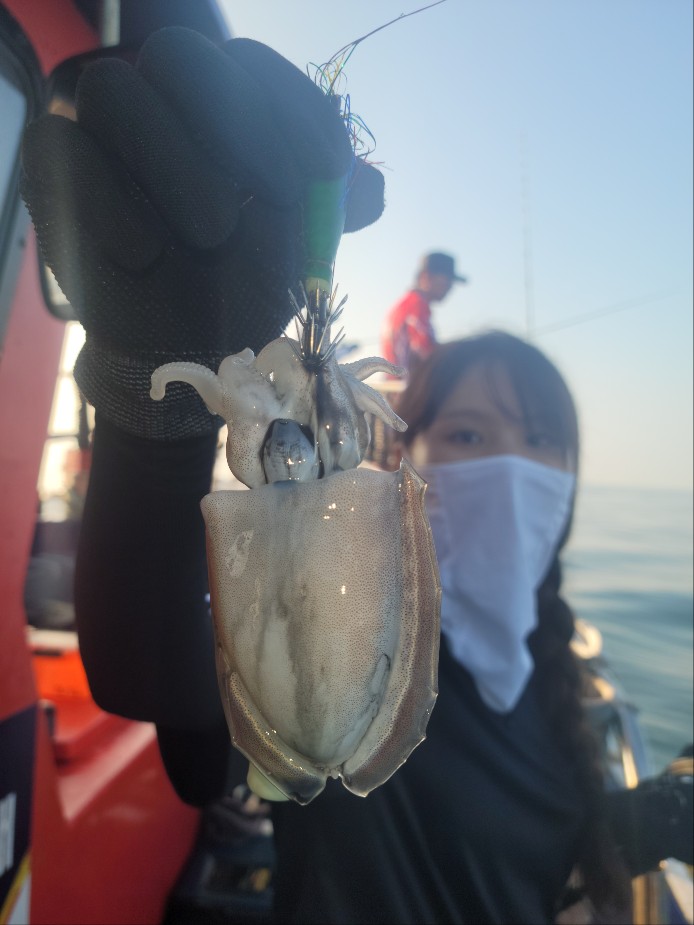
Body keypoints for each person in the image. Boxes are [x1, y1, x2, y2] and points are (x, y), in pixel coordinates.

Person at [21, 30, 692, 925]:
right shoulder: (340, 616)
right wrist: (156, 426)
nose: (508, 464)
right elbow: (175, 715)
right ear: (406, 461)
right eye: (467, 431)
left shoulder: (557, 689)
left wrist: (651, 815)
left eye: (540, 439)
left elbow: (552, 846)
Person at [380, 251, 467, 373]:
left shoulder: (404, 304)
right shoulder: (416, 306)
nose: (450, 287)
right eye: (447, 279)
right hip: (407, 384)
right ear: (427, 277)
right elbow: (428, 354)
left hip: (396, 382)